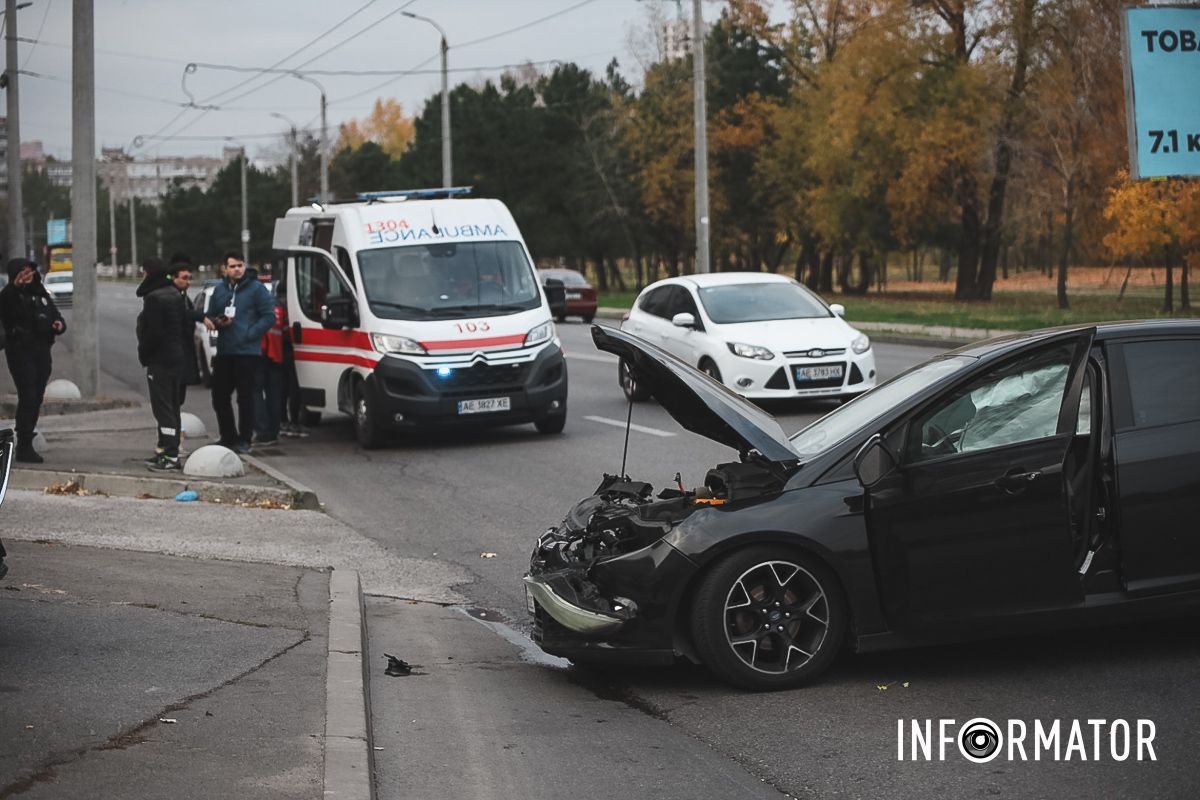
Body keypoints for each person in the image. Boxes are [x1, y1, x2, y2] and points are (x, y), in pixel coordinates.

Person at [205, 251, 274, 453]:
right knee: (219, 396)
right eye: (233, 266)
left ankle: (245, 439)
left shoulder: (256, 289)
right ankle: (228, 436)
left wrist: (250, 333)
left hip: (247, 352)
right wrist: (218, 321)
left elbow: (269, 317)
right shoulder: (219, 290)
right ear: (224, 269)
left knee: (246, 397)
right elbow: (211, 316)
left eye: (240, 265)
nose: (237, 269)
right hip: (225, 350)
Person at [0, 258, 66, 463]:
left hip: (42, 351)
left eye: (30, 272)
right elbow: (5, 307)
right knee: (27, 395)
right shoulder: (11, 296)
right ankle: (24, 444)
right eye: (23, 273)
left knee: (36, 396)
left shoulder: (41, 294)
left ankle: (28, 436)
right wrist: (14, 287)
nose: (28, 276)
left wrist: (58, 325)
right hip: (20, 352)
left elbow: (57, 317)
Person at [136, 257, 189, 471]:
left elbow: (154, 333)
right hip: (176, 357)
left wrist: (144, 353)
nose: (143, 276)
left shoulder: (154, 298)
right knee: (173, 406)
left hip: (160, 360)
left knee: (163, 408)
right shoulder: (175, 294)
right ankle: (171, 450)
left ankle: (170, 455)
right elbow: (183, 325)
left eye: (145, 272)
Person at [169, 253, 204, 406]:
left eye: (190, 278)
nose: (188, 282)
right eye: (184, 278)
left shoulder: (183, 296)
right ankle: (172, 430)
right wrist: (202, 316)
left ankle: (174, 428)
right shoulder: (170, 295)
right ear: (173, 278)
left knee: (178, 399)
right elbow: (182, 314)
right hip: (173, 357)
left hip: (182, 354)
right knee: (173, 400)